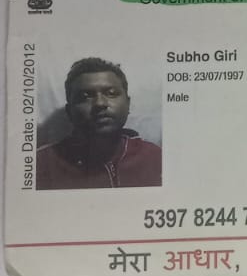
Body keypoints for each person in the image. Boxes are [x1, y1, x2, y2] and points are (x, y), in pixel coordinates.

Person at [35, 58, 162, 189]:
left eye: (111, 93)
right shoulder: (42, 164)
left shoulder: (154, 157)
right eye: (85, 96)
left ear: (128, 104)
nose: (100, 103)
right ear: (70, 111)